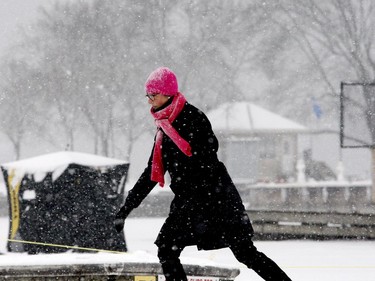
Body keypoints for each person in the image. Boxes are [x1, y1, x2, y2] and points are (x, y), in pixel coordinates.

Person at [114, 67, 292, 281]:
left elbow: (208, 160)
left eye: (153, 95)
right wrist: (126, 209)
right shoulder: (163, 129)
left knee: (245, 252)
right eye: (147, 96)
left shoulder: (193, 118)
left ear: (168, 92)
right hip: (190, 201)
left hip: (216, 198)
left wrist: (194, 190)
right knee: (167, 249)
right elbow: (151, 173)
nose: (149, 101)